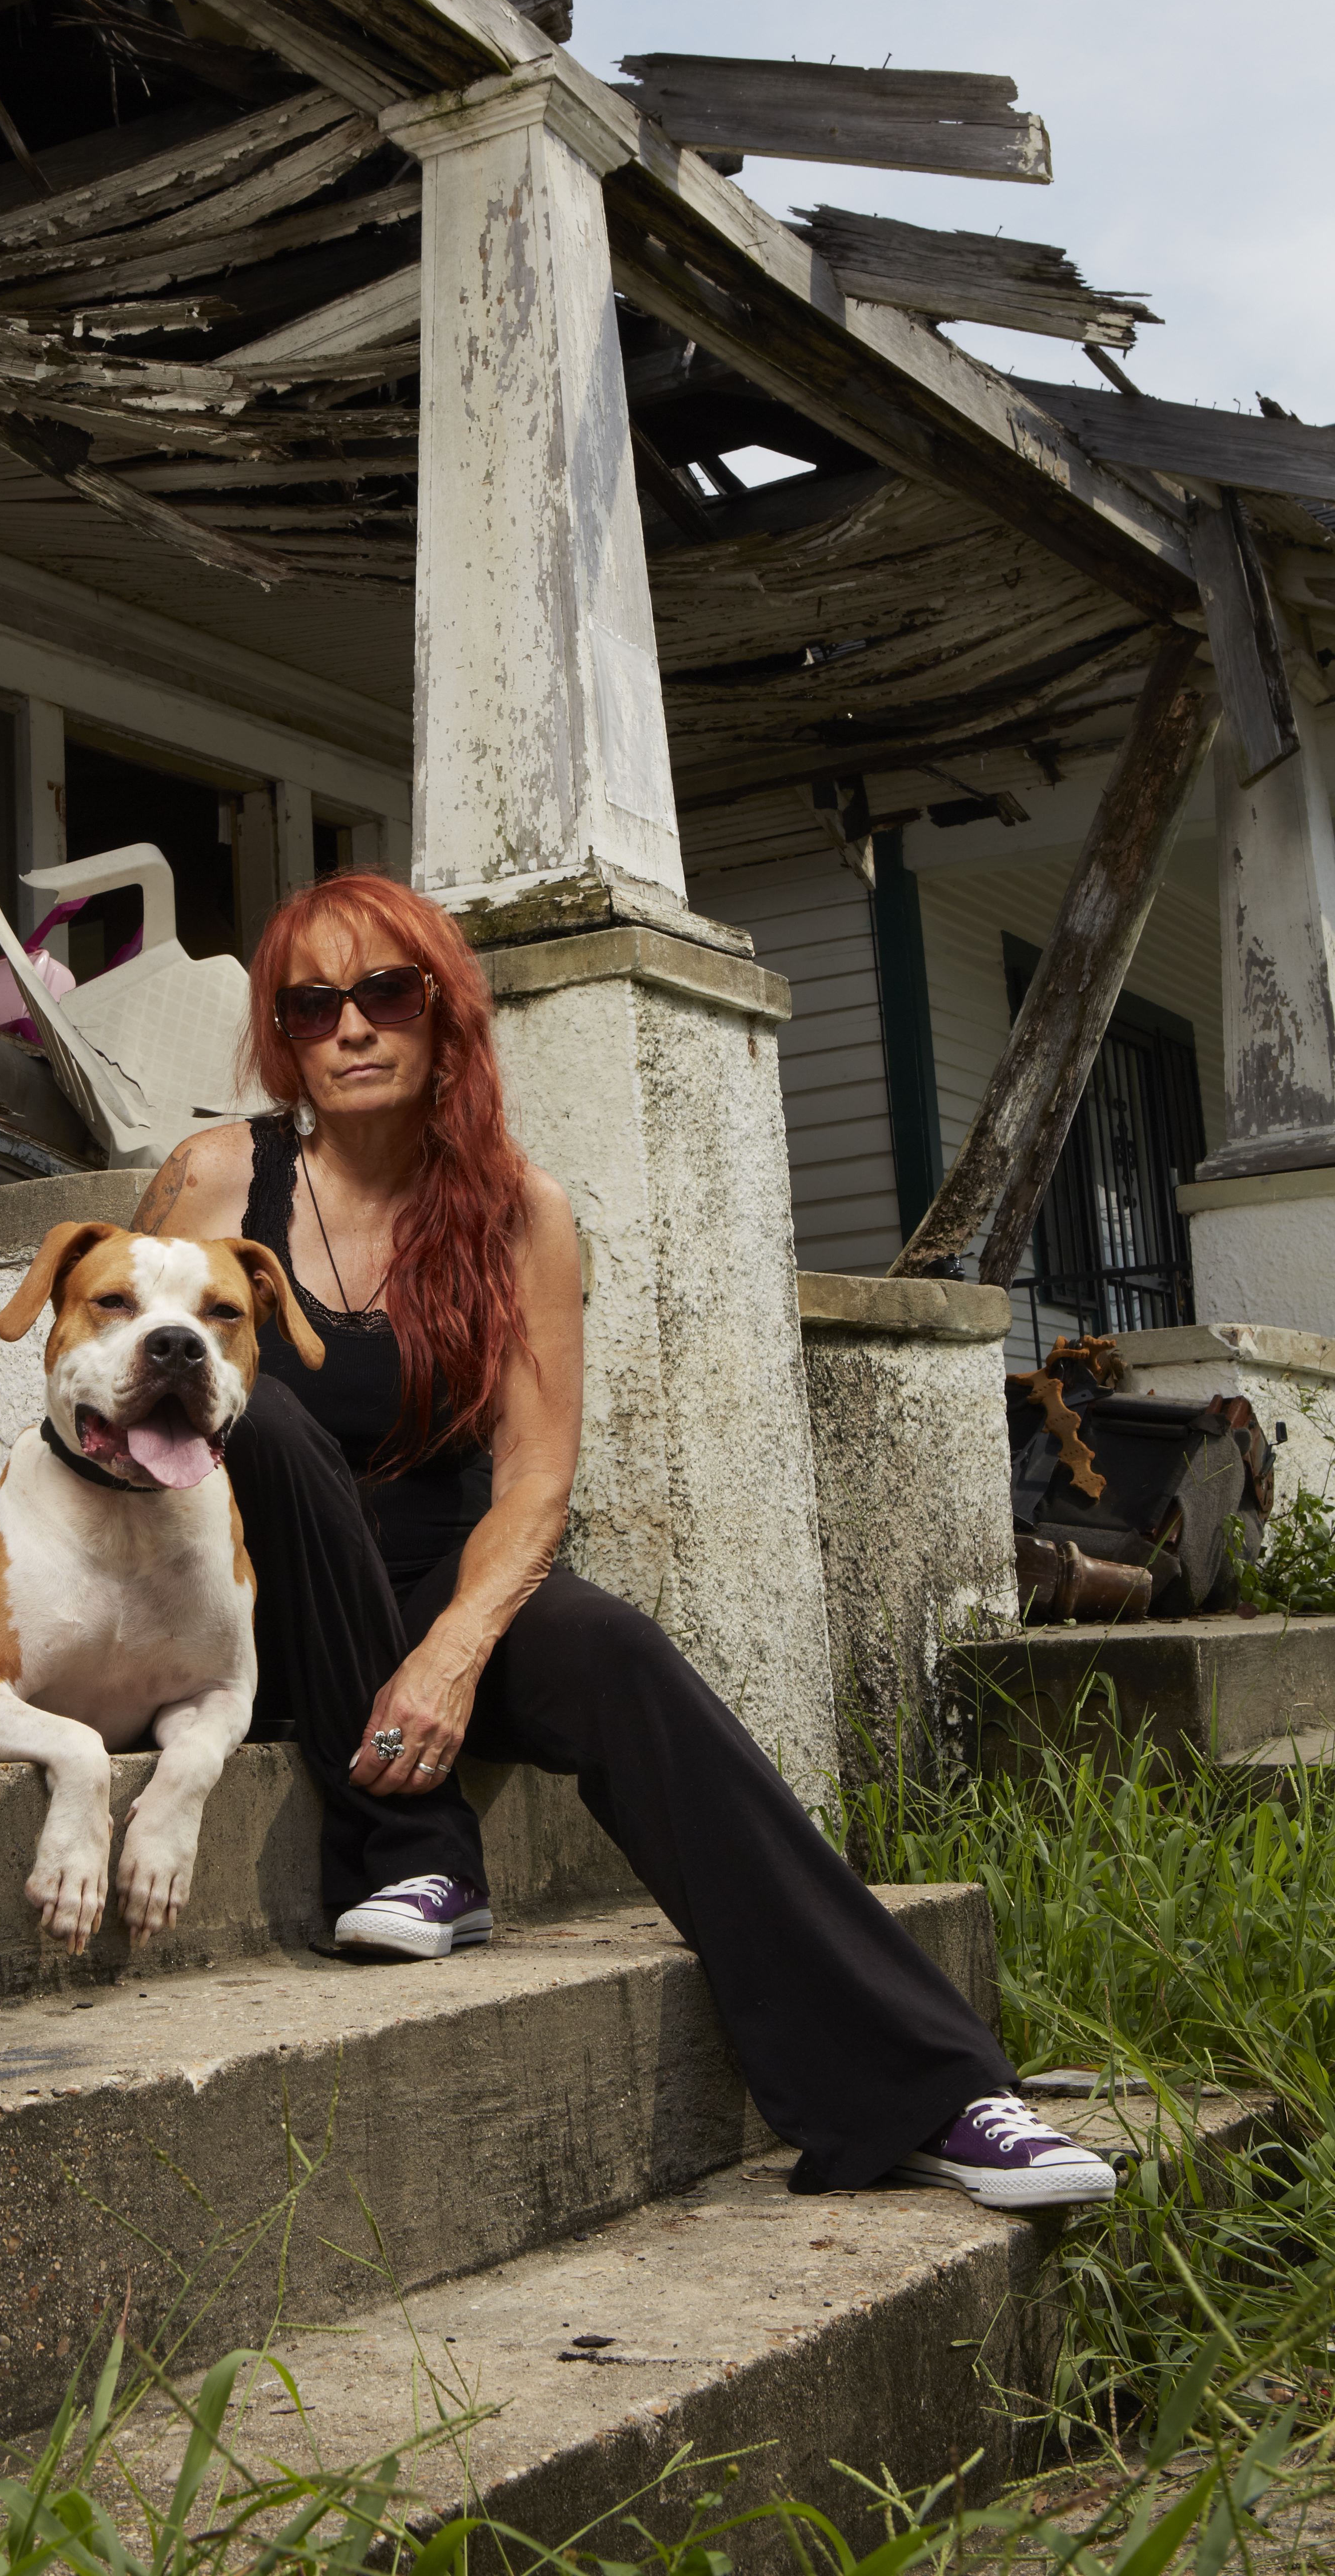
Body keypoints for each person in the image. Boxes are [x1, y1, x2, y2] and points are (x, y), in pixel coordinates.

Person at [134, 872, 1112, 2211]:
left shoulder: (518, 1211)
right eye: (311, 1006)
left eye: (386, 993)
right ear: (283, 1037)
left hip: (439, 1580)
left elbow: (535, 1478)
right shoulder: (214, 1180)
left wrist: (456, 1653)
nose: (350, 1027)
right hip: (266, 1601)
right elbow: (113, 1396)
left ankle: (930, 2093)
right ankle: (415, 1848)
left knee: (617, 1654)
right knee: (265, 1414)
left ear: (443, 1013)